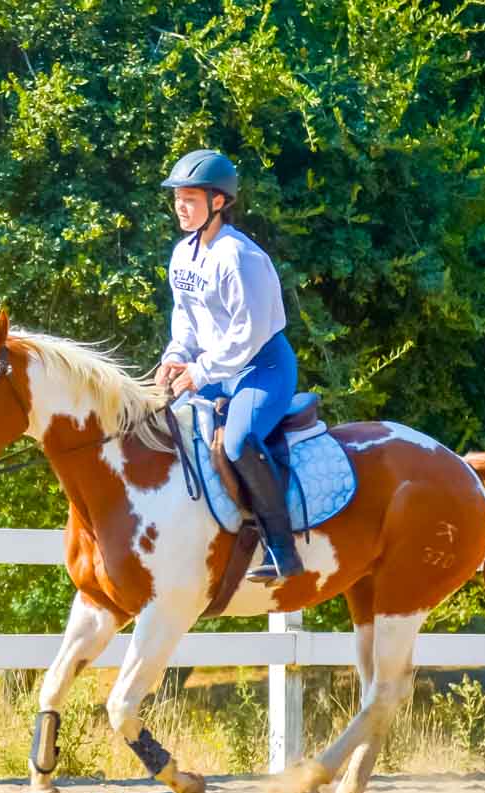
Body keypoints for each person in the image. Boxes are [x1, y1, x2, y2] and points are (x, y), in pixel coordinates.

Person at [155, 148, 302, 581]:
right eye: (178, 199)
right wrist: (175, 356)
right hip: (213, 368)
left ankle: (282, 549)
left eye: (190, 199)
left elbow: (247, 334)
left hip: (262, 368)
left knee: (238, 442)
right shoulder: (183, 254)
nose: (181, 207)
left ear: (218, 202)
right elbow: (185, 318)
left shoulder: (239, 257)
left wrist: (197, 373)